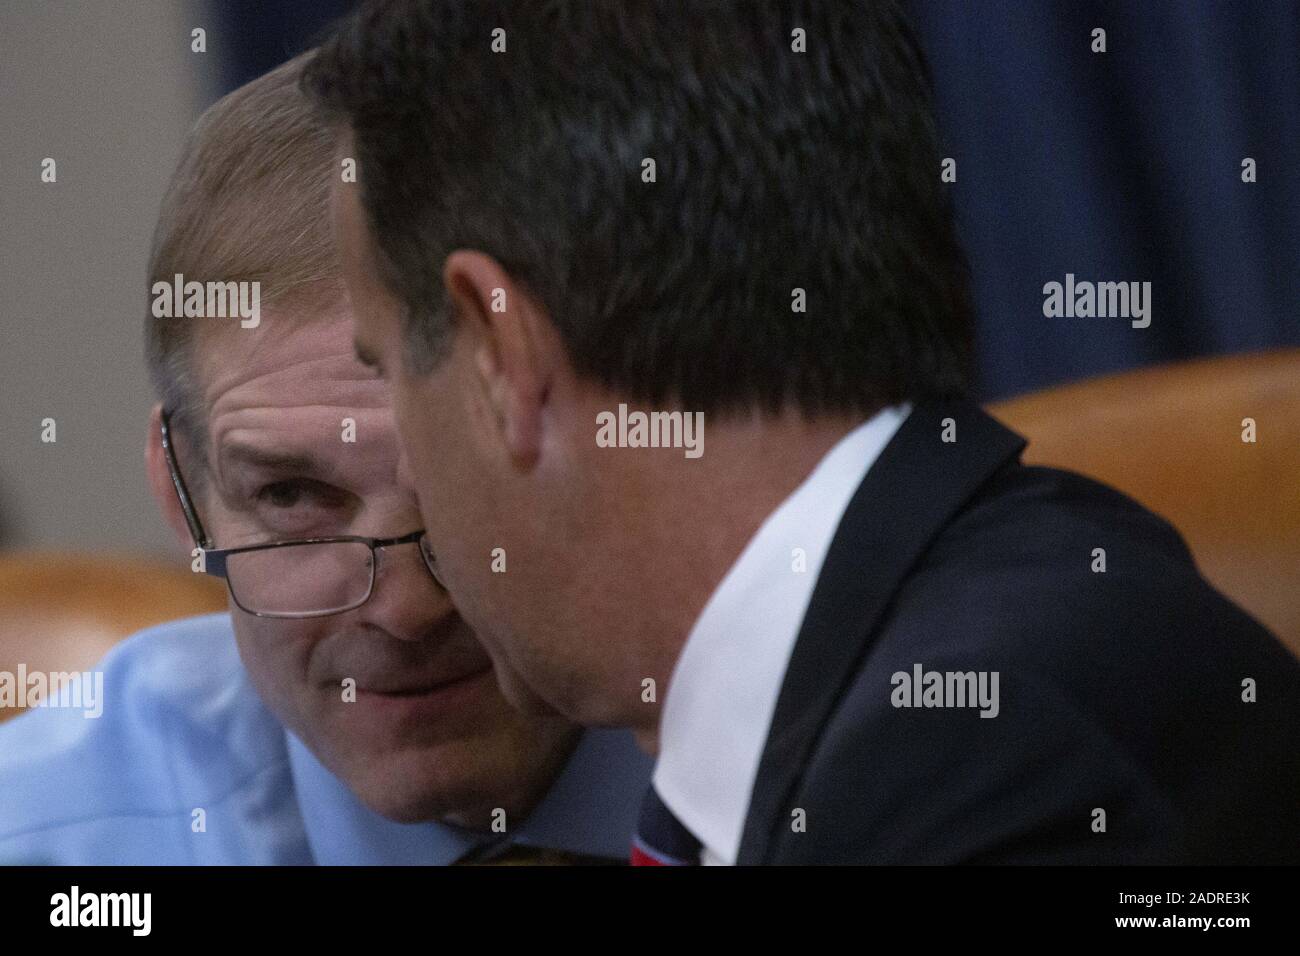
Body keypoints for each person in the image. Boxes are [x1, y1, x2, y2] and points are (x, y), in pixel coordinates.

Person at [305, 0, 1300, 864]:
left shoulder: (966, 769)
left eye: (387, 368)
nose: (411, 492)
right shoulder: (974, 629)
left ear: (499, 351)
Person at [0, 54, 649, 866]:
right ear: (182, 495)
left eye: (466, 484)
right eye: (292, 493)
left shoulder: (828, 778)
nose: (405, 611)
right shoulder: (37, 842)